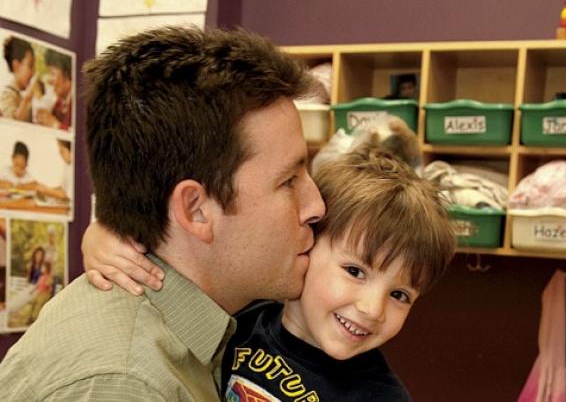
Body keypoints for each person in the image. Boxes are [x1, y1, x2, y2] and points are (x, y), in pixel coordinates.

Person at [0, 25, 325, 401]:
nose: (317, 206)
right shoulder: (127, 383)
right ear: (196, 209)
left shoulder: (190, 333)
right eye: (288, 181)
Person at [82, 141, 456, 401]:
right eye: (356, 271)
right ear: (305, 243)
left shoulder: (379, 396)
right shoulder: (244, 311)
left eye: (400, 295)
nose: (373, 309)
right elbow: (170, 256)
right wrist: (103, 235)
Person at [1, 36, 37, 122]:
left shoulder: (20, 96)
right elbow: (13, 126)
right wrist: (26, 101)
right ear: (16, 66)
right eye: (30, 66)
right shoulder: (7, 95)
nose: (33, 72)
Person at [35, 49, 72, 130]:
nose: (49, 80)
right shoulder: (60, 102)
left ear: (67, 74)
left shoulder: (79, 103)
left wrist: (54, 124)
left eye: (52, 73)